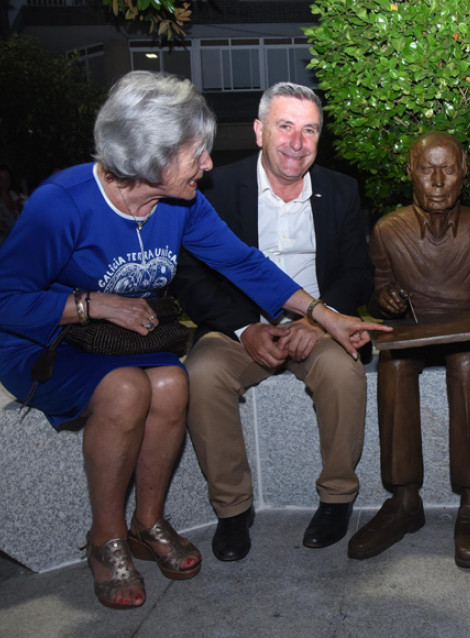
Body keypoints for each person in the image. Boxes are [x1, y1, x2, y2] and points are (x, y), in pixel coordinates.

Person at [0, 71, 385, 611]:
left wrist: (323, 315)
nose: (210, 165)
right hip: (50, 341)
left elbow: (243, 263)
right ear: (155, 156)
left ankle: (148, 523)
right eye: (198, 153)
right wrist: (90, 304)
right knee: (129, 390)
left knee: (172, 381)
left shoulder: (181, 203)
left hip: (121, 341)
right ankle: (106, 538)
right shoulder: (63, 203)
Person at [174, 82, 373, 561]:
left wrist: (320, 322)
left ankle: (337, 498)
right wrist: (246, 327)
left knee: (345, 372)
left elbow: (356, 272)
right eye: (285, 126)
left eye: (310, 130)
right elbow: (192, 275)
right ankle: (232, 509)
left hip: (314, 325)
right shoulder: (216, 188)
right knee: (200, 374)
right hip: (238, 325)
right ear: (260, 130)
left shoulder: (341, 190)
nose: (297, 142)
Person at [347, 131, 470, 568]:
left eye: (448, 169)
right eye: (427, 169)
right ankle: (405, 500)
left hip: (464, 332)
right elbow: (377, 290)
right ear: (411, 171)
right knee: (395, 368)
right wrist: (382, 300)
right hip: (410, 332)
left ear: (464, 171)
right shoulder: (389, 230)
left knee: (466, 366)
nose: (438, 181)